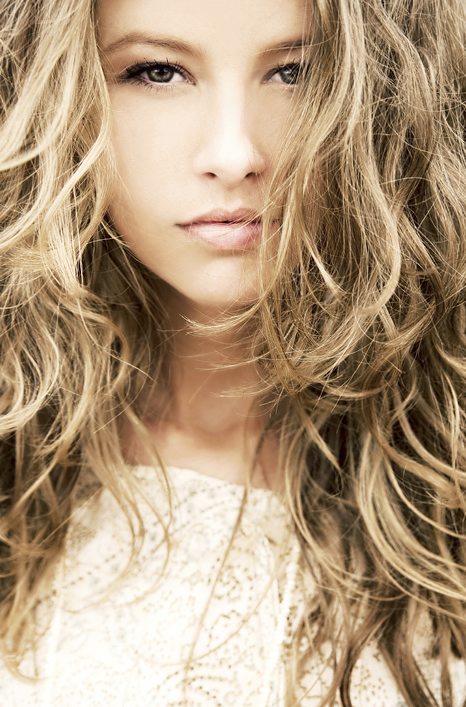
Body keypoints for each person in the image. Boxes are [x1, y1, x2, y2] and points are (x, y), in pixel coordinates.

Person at [0, 0, 465, 704]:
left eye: (295, 72)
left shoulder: (444, 470)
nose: (235, 155)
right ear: (54, 90)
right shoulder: (18, 451)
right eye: (157, 71)